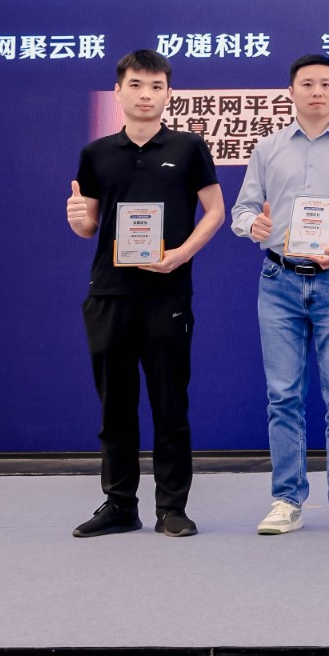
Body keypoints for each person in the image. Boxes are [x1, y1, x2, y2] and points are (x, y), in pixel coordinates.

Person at [231, 54, 329, 535]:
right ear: (291, 91)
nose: (317, 91)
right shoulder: (268, 147)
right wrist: (253, 226)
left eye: (325, 83)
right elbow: (242, 209)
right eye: (307, 84)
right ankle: (287, 499)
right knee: (283, 396)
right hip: (278, 279)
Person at [67, 49, 224, 538]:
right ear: (119, 91)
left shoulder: (189, 146)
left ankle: (171, 508)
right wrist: (77, 220)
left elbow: (216, 211)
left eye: (156, 86)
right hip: (109, 294)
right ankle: (119, 505)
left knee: (169, 405)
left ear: (168, 93)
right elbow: (90, 224)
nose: (146, 95)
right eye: (136, 85)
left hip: (168, 293)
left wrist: (180, 255)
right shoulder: (96, 153)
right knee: (115, 407)